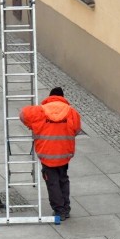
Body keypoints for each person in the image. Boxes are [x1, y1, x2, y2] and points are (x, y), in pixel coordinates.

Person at [19, 87, 82, 220]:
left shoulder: (39, 111)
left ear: (50, 97)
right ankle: (66, 207)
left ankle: (59, 211)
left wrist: (32, 126)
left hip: (46, 153)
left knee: (52, 182)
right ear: (62, 97)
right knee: (63, 179)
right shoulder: (71, 112)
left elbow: (23, 114)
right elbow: (76, 130)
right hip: (64, 154)